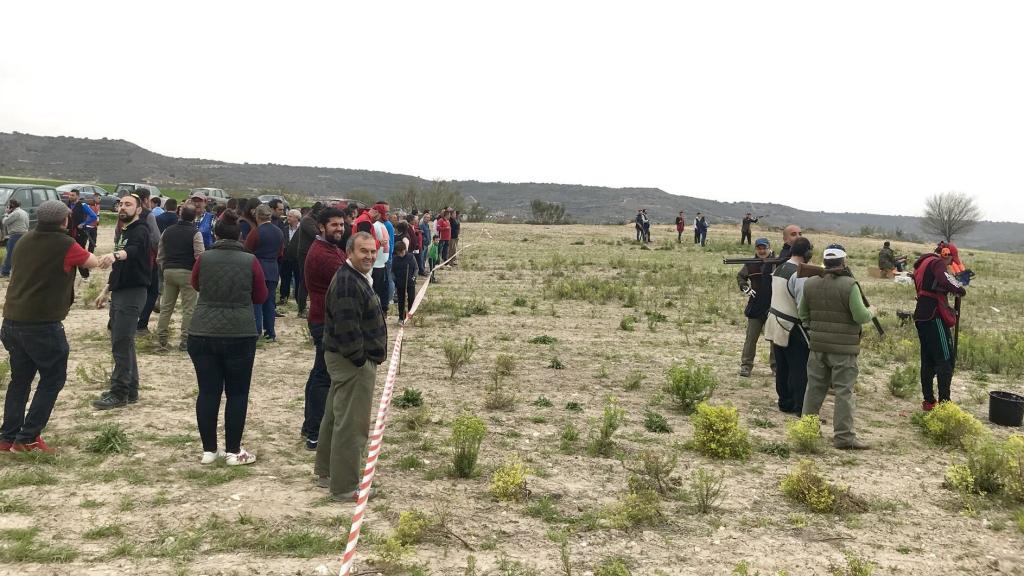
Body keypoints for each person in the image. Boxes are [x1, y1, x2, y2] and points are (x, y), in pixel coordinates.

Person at [1, 201, 102, 452]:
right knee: (53, 378)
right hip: (42, 324)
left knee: (20, 380)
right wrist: (109, 258)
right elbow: (92, 262)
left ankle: (7, 436)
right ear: (65, 221)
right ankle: (28, 438)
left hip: (12, 319)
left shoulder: (23, 240)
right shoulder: (65, 244)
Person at [187, 211, 267, 466]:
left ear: (217, 234)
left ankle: (209, 450)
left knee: (208, 392)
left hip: (202, 330)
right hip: (239, 332)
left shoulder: (204, 258)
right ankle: (234, 451)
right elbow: (261, 295)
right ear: (240, 235)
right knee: (237, 393)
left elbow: (195, 284)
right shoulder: (250, 261)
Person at [315, 231, 388, 501]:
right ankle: (345, 487)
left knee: (335, 416)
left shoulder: (356, 277)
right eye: (363, 251)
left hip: (343, 359)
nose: (369, 256)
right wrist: (361, 360)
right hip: (351, 361)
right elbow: (347, 329)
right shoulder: (348, 282)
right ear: (349, 252)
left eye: (373, 251)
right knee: (351, 424)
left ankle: (326, 473)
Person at [800, 243, 875, 450]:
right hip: (844, 350)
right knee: (844, 392)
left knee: (814, 389)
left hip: (817, 347)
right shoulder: (849, 285)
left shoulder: (810, 283)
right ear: (843, 261)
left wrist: (815, 331)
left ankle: (807, 430)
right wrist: (872, 312)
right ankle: (844, 437)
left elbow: (803, 315)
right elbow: (860, 316)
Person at [92, 194, 153, 410]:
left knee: (121, 342)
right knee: (123, 342)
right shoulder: (124, 231)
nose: (122, 208)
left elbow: (134, 251)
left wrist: (116, 255)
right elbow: (120, 269)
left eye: (128, 205)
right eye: (121, 204)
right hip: (119, 292)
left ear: (138, 209)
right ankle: (131, 389)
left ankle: (119, 393)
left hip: (133, 293)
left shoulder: (141, 230)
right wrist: (105, 290)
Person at [301, 207, 347, 451]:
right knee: (323, 376)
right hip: (324, 321)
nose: (340, 228)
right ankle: (315, 432)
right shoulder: (323, 254)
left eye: (341, 224)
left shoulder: (332, 249)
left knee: (319, 372)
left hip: (324, 319)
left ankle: (310, 425)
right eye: (334, 225)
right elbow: (350, 277)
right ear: (321, 227)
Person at [913, 244, 967, 410]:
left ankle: (929, 401)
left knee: (928, 360)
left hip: (922, 313)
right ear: (946, 254)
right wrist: (959, 289)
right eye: (951, 259)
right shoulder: (937, 263)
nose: (951, 263)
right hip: (933, 314)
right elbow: (945, 279)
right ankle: (945, 403)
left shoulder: (924, 262)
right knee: (945, 359)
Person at [764, 237, 813, 414]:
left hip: (776, 323)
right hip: (792, 326)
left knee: (782, 366)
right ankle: (800, 407)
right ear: (807, 253)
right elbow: (802, 306)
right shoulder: (799, 274)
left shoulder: (780, 268)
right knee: (799, 369)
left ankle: (785, 402)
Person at [156, 204, 204, 351]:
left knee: (166, 307)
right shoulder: (195, 233)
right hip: (187, 272)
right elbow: (200, 256)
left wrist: (164, 267)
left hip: (169, 271)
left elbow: (160, 255)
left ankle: (162, 339)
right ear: (194, 217)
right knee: (188, 308)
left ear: (180, 215)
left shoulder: (167, 231)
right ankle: (185, 340)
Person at [245, 204, 285, 341]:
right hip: (273, 268)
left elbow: (247, 250)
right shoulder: (279, 231)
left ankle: (256, 331)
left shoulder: (256, 232)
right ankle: (270, 332)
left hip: (257, 268)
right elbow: (281, 252)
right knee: (270, 301)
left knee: (257, 300)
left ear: (257, 216)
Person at [737, 238, 776, 377]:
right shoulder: (750, 264)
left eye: (764, 248)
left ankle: (776, 368)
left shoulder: (777, 263)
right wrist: (744, 287)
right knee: (750, 339)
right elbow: (741, 276)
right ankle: (746, 366)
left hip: (774, 306)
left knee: (774, 340)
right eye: (759, 248)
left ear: (769, 248)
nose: (762, 251)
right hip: (755, 305)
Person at [133, 188, 163, 332]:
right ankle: (142, 324)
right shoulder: (148, 215)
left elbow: (117, 235)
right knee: (152, 291)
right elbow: (156, 239)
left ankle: (114, 322)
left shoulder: (125, 213)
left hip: (128, 256)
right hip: (147, 259)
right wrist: (158, 255)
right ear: (145, 200)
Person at [295, 202, 324, 319]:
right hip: (305, 254)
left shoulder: (314, 220)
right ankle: (301, 309)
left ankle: (309, 307)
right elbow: (316, 234)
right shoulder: (307, 220)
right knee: (304, 281)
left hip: (313, 253)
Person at [67, 188, 98, 278]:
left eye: (72, 195)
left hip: (80, 233)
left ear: (77, 196)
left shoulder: (83, 205)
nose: (70, 197)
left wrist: (84, 223)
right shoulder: (67, 204)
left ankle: (85, 275)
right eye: (70, 195)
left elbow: (93, 216)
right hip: (69, 232)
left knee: (80, 253)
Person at [278, 209, 302, 306]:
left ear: (297, 218)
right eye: (288, 216)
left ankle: (298, 299)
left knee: (298, 279)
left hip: (297, 259)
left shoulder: (302, 230)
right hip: (286, 258)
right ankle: (283, 298)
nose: (288, 218)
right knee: (285, 278)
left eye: (290, 216)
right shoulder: (284, 228)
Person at [392, 235, 417, 324]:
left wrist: (413, 277)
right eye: (399, 253)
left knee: (411, 299)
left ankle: (410, 315)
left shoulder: (411, 257)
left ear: (405, 250)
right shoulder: (395, 259)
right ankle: (401, 317)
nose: (401, 254)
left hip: (410, 283)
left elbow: (416, 269)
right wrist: (395, 279)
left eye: (402, 252)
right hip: (400, 283)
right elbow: (392, 271)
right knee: (401, 300)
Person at [1, 199, 29, 278]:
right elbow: (27, 225)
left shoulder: (15, 213)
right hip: (24, 234)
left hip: (15, 235)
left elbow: (5, 222)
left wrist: (6, 213)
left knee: (10, 254)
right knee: (22, 254)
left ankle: (5, 272)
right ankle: (22, 272)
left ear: (11, 206)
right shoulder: (24, 212)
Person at [371, 207, 391, 315]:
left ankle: (383, 309)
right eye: (386, 213)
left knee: (384, 289)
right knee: (376, 289)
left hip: (383, 263)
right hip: (376, 265)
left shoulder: (384, 226)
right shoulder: (375, 226)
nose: (388, 215)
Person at [418, 211, 432, 277]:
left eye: (429, 217)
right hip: (423, 244)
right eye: (426, 217)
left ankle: (423, 269)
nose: (428, 219)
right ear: (424, 218)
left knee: (424, 258)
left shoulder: (427, 225)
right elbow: (421, 235)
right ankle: (421, 271)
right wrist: (425, 240)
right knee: (421, 258)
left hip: (427, 244)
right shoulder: (421, 225)